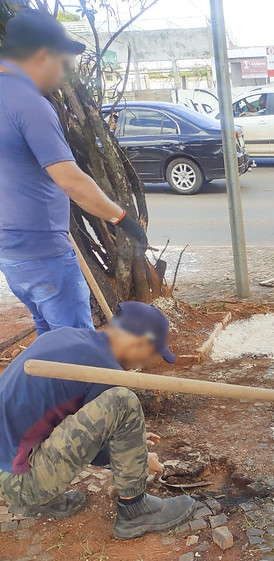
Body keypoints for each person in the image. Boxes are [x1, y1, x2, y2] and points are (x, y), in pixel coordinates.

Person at [0, 9, 149, 335]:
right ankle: (84, 386)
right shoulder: (29, 103)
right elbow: (72, 182)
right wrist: (122, 219)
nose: (64, 70)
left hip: (10, 254)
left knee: (52, 341)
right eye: (62, 60)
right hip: (45, 254)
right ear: (43, 55)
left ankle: (56, 384)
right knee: (77, 345)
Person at [0, 302, 196, 539]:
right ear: (141, 342)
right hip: (21, 483)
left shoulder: (67, 336)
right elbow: (95, 452)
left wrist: (129, 441)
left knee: (102, 410)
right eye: (153, 354)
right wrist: (139, 460)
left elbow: (69, 420)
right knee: (123, 402)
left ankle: (41, 500)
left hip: (7, 468)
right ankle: (135, 510)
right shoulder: (105, 373)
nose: (148, 363)